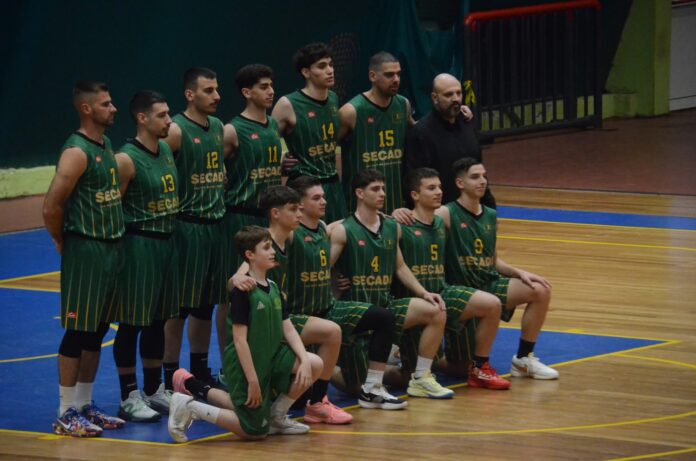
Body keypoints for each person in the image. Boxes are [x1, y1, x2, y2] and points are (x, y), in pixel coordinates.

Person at [167, 226, 323, 442]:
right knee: (254, 431)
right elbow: (240, 340)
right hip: (246, 364)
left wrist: (304, 359)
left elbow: (288, 328)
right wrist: (252, 381)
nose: (273, 252)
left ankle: (275, 416)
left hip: (271, 356)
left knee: (315, 364)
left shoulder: (274, 287)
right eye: (266, 248)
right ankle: (190, 407)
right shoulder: (243, 291)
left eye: (272, 247)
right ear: (250, 254)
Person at [329, 168, 454, 404]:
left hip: (386, 306)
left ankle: (421, 377)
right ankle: (331, 369)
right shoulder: (343, 229)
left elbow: (400, 267)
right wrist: (335, 281)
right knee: (354, 386)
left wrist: (423, 292)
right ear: (359, 193)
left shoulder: (391, 226)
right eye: (375, 189)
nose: (382, 194)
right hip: (357, 313)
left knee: (436, 309)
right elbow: (323, 266)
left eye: (383, 189)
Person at [43, 80, 125, 436]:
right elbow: (51, 206)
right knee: (78, 331)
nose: (113, 108)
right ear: (86, 108)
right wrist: (63, 241)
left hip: (111, 249)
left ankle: (84, 403)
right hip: (86, 249)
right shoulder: (76, 152)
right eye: (106, 104)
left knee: (97, 330)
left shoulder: (105, 144)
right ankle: (65, 411)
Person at [230, 185, 351, 424]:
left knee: (328, 336)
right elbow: (239, 275)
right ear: (276, 214)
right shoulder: (266, 243)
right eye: (294, 209)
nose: (300, 214)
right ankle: (317, 403)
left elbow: (328, 227)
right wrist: (236, 278)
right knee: (331, 332)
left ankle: (307, 404)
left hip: (281, 318)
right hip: (262, 326)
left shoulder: (287, 238)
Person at [439, 158, 559, 380]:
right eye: (475, 177)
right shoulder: (445, 213)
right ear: (460, 183)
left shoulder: (490, 215)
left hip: (488, 283)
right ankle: (426, 357)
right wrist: (399, 213)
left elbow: (493, 260)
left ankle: (523, 359)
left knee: (540, 289)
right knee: (460, 368)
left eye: (484, 176)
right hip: (462, 291)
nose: (482, 181)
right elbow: (417, 222)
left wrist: (519, 272)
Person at [393, 168, 510, 389]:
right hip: (413, 300)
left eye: (439, 187)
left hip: (442, 291)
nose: (439, 191)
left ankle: (480, 368)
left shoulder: (441, 222)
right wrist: (392, 213)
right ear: (415, 195)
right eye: (431, 188)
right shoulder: (399, 224)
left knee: (492, 304)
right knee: (405, 377)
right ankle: (385, 369)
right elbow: (371, 231)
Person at [112, 91, 180, 422]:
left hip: (167, 244)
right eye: (162, 115)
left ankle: (153, 389)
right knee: (132, 323)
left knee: (158, 320)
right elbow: (112, 208)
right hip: (139, 245)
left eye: (169, 114)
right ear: (142, 118)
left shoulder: (165, 149)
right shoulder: (126, 159)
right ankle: (128, 395)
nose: (169, 120)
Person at [162, 67, 226, 392]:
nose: (216, 96)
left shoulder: (217, 127)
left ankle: (199, 369)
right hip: (187, 228)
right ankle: (170, 375)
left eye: (216, 89)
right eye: (208, 90)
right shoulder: (175, 130)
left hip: (215, 228)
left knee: (205, 305)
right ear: (190, 94)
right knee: (178, 309)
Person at [216, 64, 283, 365]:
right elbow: (213, 168)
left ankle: (264, 356)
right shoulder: (232, 130)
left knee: (267, 289)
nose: (271, 91)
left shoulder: (273, 126)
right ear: (247, 92)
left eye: (271, 86)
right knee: (232, 293)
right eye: (263, 87)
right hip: (239, 217)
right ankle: (227, 362)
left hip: (266, 220)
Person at [271, 42, 346, 222]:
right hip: (303, 187)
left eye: (331, 64)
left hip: (333, 186)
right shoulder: (287, 104)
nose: (330, 70)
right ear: (306, 72)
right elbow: (267, 143)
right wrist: (280, 161)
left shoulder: (333, 98)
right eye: (322, 66)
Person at [338, 51, 415, 214]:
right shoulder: (351, 111)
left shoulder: (403, 105)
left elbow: (420, 130)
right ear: (372, 76)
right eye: (389, 75)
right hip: (360, 206)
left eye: (398, 74)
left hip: (398, 203)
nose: (396, 79)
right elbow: (326, 148)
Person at [402, 73, 494, 207]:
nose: (456, 99)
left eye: (459, 93)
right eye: (448, 95)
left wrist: (488, 205)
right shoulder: (421, 133)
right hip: (440, 210)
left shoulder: (467, 122)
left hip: (473, 208)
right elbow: (415, 180)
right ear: (435, 98)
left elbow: (478, 167)